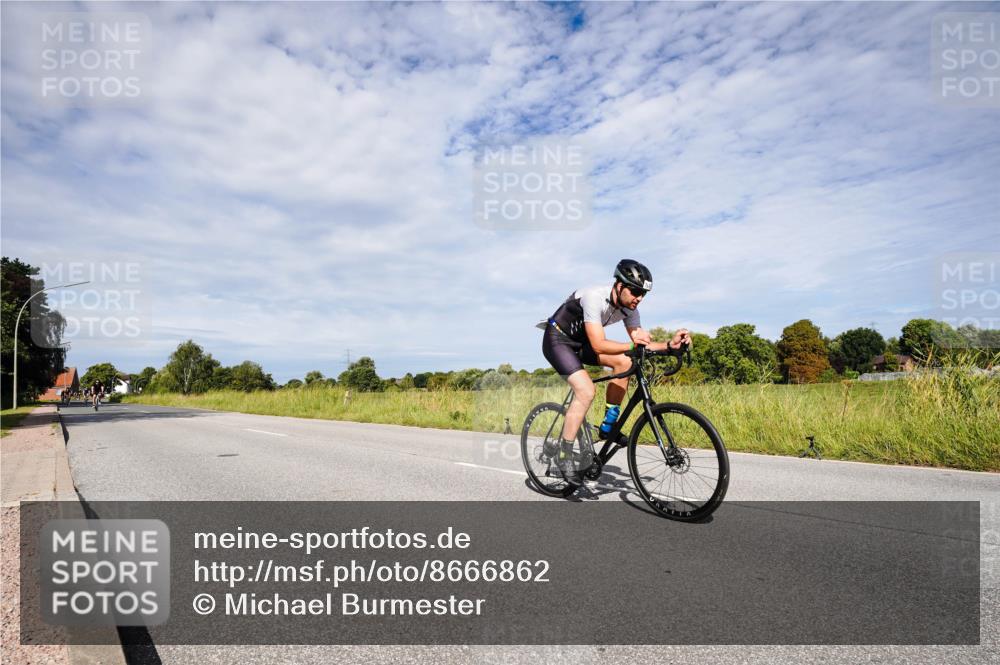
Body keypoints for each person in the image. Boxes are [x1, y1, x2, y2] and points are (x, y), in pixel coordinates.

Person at [540, 259, 691, 480]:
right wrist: (632, 346)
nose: (638, 298)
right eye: (635, 292)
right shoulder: (593, 297)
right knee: (586, 391)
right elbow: (601, 344)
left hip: (583, 344)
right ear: (619, 285)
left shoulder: (631, 310)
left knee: (626, 362)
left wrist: (670, 346)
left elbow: (641, 342)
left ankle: (608, 426)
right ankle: (564, 455)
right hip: (558, 340)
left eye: (643, 294)